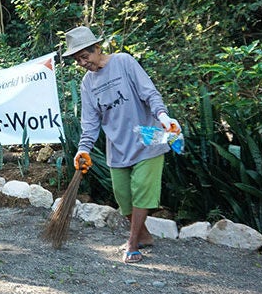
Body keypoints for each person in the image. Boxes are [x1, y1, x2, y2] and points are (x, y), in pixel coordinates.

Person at [62, 25, 182, 265]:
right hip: (117, 145)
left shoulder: (123, 62)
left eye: (85, 56)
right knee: (123, 196)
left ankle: (133, 242)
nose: (82, 62)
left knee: (141, 189)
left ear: (97, 48)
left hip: (149, 138)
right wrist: (83, 148)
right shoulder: (87, 83)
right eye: (78, 59)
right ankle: (144, 236)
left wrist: (163, 116)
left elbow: (150, 93)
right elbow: (90, 121)